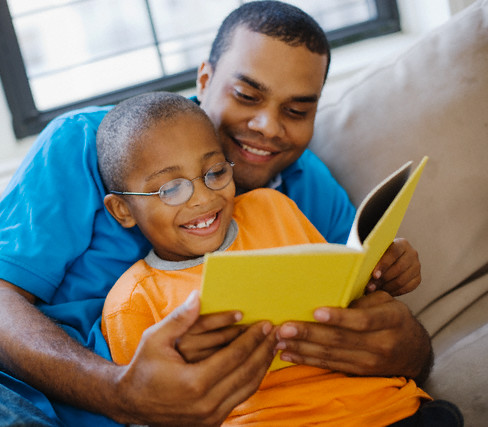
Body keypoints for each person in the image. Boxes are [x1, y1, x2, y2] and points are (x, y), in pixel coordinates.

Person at [0, 2, 431, 426]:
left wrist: (409, 345)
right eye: (247, 95)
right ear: (206, 80)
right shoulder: (89, 142)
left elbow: (363, 320)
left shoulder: (307, 192)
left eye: (297, 109)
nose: (268, 127)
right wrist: (121, 391)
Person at [99, 91, 462, 426]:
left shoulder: (271, 208)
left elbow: (342, 296)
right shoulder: (132, 302)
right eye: (171, 188)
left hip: (391, 410)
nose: (202, 199)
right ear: (122, 210)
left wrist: (378, 275)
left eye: (214, 172)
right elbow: (150, 410)